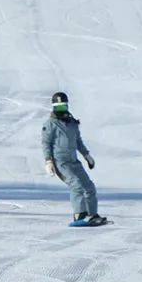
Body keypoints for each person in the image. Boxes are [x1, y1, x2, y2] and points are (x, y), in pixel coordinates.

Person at [41, 92, 103, 225]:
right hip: (60, 163)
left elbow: (78, 141)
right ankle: (79, 215)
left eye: (63, 107)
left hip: (74, 162)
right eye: (58, 108)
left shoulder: (72, 123)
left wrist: (87, 155)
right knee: (76, 185)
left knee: (89, 187)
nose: (61, 110)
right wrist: (48, 161)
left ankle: (92, 214)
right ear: (53, 108)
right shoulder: (50, 124)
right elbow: (46, 143)